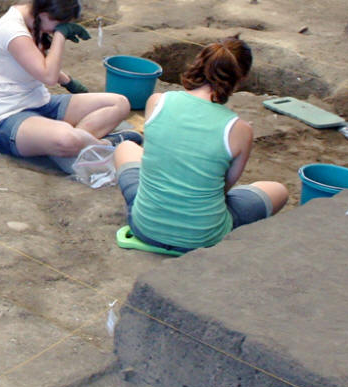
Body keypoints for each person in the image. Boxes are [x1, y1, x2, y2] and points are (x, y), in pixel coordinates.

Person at [112, 36, 289, 254]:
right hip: (203, 238)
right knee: (278, 191)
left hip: (145, 226)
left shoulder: (157, 101)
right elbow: (224, 189)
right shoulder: (240, 130)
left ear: (200, 64)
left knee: (126, 147)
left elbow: (153, 162)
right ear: (241, 78)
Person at [0, 0, 132, 163]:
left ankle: (77, 147)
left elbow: (38, 65)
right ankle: (103, 145)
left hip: (40, 103)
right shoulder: (12, 30)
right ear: (43, 14)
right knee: (66, 138)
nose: (58, 29)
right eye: (58, 24)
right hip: (4, 117)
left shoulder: (35, 20)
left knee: (119, 103)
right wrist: (60, 36)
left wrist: (68, 82)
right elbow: (48, 76)